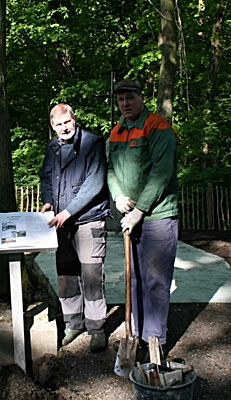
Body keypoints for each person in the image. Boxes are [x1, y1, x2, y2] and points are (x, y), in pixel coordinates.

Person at [107, 79, 179, 349]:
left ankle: (155, 341)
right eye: (120, 100)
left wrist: (139, 210)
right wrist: (117, 195)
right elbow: (110, 170)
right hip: (130, 218)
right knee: (135, 278)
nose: (125, 104)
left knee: (156, 281)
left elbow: (161, 174)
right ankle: (136, 332)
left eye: (129, 98)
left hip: (158, 217)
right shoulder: (116, 133)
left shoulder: (159, 128)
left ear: (140, 97)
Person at [40, 103, 112, 353]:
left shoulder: (93, 143)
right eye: (58, 125)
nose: (64, 128)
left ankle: (96, 328)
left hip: (88, 219)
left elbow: (95, 183)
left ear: (74, 119)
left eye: (67, 122)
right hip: (60, 224)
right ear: (53, 126)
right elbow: (46, 178)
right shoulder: (52, 147)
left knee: (92, 276)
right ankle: (73, 324)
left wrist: (68, 212)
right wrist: (48, 201)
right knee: (66, 275)